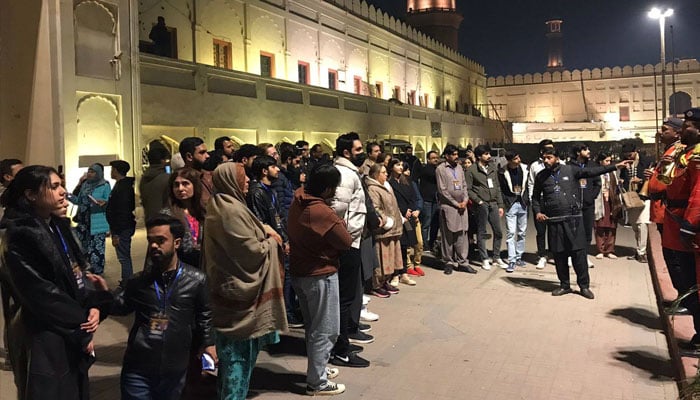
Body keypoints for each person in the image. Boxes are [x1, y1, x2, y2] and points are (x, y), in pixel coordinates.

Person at [0, 165, 112, 399]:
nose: (63, 191)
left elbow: (79, 272)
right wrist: (81, 325)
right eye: (54, 186)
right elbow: (42, 294)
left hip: (68, 326)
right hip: (44, 333)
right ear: (31, 195)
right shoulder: (19, 235)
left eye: (61, 184)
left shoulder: (56, 224)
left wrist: (94, 304)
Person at [97, 215, 216, 400]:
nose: (153, 246)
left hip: (175, 369)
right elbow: (120, 306)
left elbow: (204, 315)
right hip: (138, 367)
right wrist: (103, 296)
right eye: (150, 241)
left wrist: (209, 344)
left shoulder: (196, 280)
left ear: (176, 243)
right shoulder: (138, 281)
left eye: (160, 240)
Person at [203, 162, 287, 400]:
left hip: (230, 293)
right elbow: (250, 250)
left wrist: (264, 230)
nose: (248, 180)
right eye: (242, 176)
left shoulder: (225, 205)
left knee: (235, 364)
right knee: (236, 363)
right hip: (237, 298)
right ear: (230, 180)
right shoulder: (229, 210)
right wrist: (272, 241)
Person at [532, 148, 631, 299]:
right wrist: (538, 212)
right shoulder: (541, 176)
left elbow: (593, 172)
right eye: (544, 158)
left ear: (557, 158)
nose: (546, 161)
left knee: (579, 255)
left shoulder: (571, 170)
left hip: (573, 220)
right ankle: (564, 285)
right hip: (555, 222)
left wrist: (615, 166)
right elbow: (535, 197)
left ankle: (584, 286)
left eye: (549, 157)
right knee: (559, 256)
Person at [288, 163, 351, 396]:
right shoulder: (321, 212)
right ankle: (318, 381)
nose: (335, 192)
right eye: (333, 188)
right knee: (326, 329)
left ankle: (319, 368)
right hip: (320, 274)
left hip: (300, 271)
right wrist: (336, 216)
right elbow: (344, 241)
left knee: (313, 327)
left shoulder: (298, 199)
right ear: (326, 189)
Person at [328, 132, 372, 368]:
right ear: (346, 153)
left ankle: (342, 341)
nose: (361, 153)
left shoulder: (350, 172)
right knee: (343, 300)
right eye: (358, 150)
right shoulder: (345, 174)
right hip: (346, 244)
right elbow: (337, 212)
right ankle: (341, 350)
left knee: (346, 297)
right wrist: (345, 239)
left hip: (351, 241)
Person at [662, 108, 700, 352]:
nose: (682, 130)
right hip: (682, 221)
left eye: (687, 125)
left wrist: (691, 224)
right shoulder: (687, 153)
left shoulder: (696, 156)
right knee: (690, 282)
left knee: (693, 281)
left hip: (691, 226)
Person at [247, 155, 300, 327]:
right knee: (282, 277)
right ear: (264, 171)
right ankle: (285, 312)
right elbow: (261, 221)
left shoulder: (271, 190)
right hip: (271, 241)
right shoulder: (257, 192)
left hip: (280, 237)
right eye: (273, 167)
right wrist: (278, 239)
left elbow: (278, 217)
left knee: (287, 275)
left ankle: (289, 309)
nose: (277, 169)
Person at [365, 163, 403, 297]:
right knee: (381, 258)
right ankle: (376, 284)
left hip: (394, 229)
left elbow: (394, 205)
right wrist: (386, 220)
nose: (386, 174)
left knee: (391, 258)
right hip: (384, 230)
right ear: (376, 175)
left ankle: (385, 280)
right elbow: (375, 208)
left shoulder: (387, 185)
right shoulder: (373, 189)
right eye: (383, 172)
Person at [436, 145, 474, 275]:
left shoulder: (459, 167)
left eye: (457, 154)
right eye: (453, 154)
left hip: (462, 207)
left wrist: (464, 200)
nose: (456, 156)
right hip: (449, 207)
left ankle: (463, 262)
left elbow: (463, 185)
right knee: (448, 235)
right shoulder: (440, 169)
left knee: (462, 234)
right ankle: (448, 262)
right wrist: (455, 203)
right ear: (446, 156)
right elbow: (442, 190)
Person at [466, 145, 505, 270]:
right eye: (486, 154)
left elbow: (497, 187)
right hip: (482, 205)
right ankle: (484, 258)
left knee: (498, 232)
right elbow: (468, 189)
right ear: (479, 156)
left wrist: (500, 205)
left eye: (489, 153)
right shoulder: (472, 170)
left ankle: (496, 256)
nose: (489, 156)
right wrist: (479, 201)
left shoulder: (492, 168)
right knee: (481, 232)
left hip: (493, 203)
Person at [161, 168, 206, 268]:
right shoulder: (167, 215)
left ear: (195, 186)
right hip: (180, 270)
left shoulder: (204, 212)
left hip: (202, 268)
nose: (180, 188)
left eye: (185, 184)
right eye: (176, 185)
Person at [71, 163, 111, 275]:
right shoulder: (85, 185)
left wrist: (103, 203)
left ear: (99, 173)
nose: (89, 174)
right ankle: (86, 271)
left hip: (97, 221)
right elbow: (78, 201)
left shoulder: (105, 185)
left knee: (96, 250)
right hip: (83, 221)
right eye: (89, 171)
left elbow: (110, 202)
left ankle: (97, 273)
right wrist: (67, 196)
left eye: (92, 171)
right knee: (83, 248)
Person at [619, 142, 654, 263]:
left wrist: (641, 180)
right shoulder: (625, 163)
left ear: (635, 151)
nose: (628, 157)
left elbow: (653, 176)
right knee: (635, 226)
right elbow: (623, 178)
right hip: (630, 197)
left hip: (644, 196)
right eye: (626, 155)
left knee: (642, 224)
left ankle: (641, 252)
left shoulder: (647, 161)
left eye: (630, 154)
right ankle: (639, 249)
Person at [567, 143, 601, 268]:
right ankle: (571, 256)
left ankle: (584, 256)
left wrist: (591, 196)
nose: (588, 151)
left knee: (587, 231)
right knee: (573, 231)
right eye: (585, 149)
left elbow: (598, 183)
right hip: (573, 205)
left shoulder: (592, 165)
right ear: (578, 152)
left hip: (588, 204)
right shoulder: (569, 166)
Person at [527, 139, 557, 269]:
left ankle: (555, 254)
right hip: (540, 202)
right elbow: (531, 183)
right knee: (541, 231)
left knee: (555, 230)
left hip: (554, 202)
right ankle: (542, 256)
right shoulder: (535, 166)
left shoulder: (559, 165)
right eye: (547, 149)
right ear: (541, 151)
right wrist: (534, 203)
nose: (549, 152)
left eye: (552, 149)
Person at [387, 159, 418, 286]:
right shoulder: (389, 183)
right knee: (396, 246)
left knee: (405, 247)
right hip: (396, 217)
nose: (400, 167)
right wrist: (401, 213)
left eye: (401, 165)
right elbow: (391, 201)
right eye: (397, 165)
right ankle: (395, 274)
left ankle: (404, 273)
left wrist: (410, 209)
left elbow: (413, 197)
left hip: (407, 217)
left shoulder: (407, 181)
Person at [498, 150, 529, 272]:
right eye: (515, 159)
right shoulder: (502, 172)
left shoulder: (525, 169)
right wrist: (505, 202)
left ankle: (519, 256)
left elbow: (529, 185)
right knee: (511, 232)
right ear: (509, 160)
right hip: (511, 204)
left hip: (522, 203)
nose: (519, 160)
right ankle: (512, 260)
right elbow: (501, 189)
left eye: (518, 157)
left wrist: (526, 199)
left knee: (522, 232)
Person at [106, 160, 136, 283]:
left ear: (116, 171)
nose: (111, 172)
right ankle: (127, 281)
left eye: (112, 169)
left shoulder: (123, 187)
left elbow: (122, 211)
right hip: (122, 226)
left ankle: (127, 282)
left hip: (122, 227)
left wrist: (116, 233)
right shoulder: (122, 185)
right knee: (123, 256)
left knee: (124, 257)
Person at [593, 152, 622, 259]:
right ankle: (600, 249)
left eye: (610, 161)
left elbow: (617, 186)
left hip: (611, 201)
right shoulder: (595, 172)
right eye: (606, 161)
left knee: (611, 226)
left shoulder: (613, 172)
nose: (609, 163)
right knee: (599, 226)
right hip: (600, 200)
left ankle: (609, 249)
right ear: (600, 161)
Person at [140, 143, 171, 221]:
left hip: (150, 218)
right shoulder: (166, 178)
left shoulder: (144, 178)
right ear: (162, 161)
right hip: (165, 220)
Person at [179, 137, 214, 206]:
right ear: (189, 156)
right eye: (202, 153)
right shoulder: (181, 179)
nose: (207, 156)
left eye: (206, 152)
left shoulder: (208, 175)